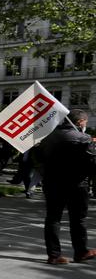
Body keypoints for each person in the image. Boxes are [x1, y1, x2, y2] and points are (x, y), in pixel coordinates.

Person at [36, 109, 96, 264]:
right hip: (76, 184)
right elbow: (92, 164)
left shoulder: (48, 138)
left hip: (52, 183)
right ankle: (81, 252)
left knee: (53, 219)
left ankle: (54, 255)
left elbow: (38, 159)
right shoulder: (83, 138)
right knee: (78, 219)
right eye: (85, 122)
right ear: (80, 122)